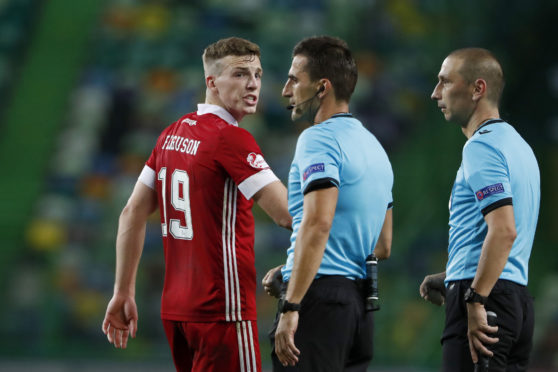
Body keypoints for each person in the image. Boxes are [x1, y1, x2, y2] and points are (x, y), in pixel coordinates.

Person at [101, 37, 292, 372]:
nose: (253, 84)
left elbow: (131, 212)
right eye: (240, 74)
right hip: (223, 311)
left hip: (176, 311)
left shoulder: (170, 135)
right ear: (211, 82)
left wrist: (123, 290)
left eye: (258, 75)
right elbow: (288, 215)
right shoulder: (230, 137)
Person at [263, 36, 394, 371]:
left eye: (294, 79)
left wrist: (293, 304)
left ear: (322, 87)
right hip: (358, 308)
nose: (285, 90)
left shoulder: (317, 138)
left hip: (318, 302)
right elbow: (381, 245)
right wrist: (293, 267)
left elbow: (318, 222)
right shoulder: (375, 149)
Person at [420, 48, 540, 371]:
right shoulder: (520, 148)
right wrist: (452, 275)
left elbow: (503, 230)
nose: (435, 94)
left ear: (477, 89)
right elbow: (502, 239)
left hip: (486, 300)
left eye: (445, 82)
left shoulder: (481, 146)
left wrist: (474, 297)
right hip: (516, 301)